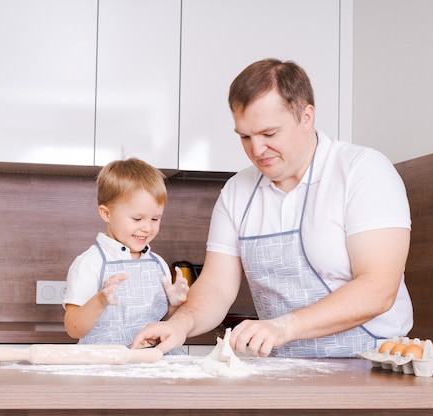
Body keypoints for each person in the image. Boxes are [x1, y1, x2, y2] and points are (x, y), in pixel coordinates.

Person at [132, 58, 413, 358]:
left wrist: (283, 328)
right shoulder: (237, 191)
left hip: (372, 366)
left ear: (306, 116)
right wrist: (181, 324)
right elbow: (216, 285)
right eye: (245, 137)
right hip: (282, 367)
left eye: (269, 134)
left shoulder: (363, 171)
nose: (256, 150)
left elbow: (378, 289)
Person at [63, 158, 189, 351]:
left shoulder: (158, 264)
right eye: (137, 218)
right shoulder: (90, 263)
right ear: (106, 214)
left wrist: (173, 306)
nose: (147, 227)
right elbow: (73, 328)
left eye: (155, 218)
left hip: (152, 365)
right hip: (104, 368)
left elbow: (163, 324)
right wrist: (100, 301)